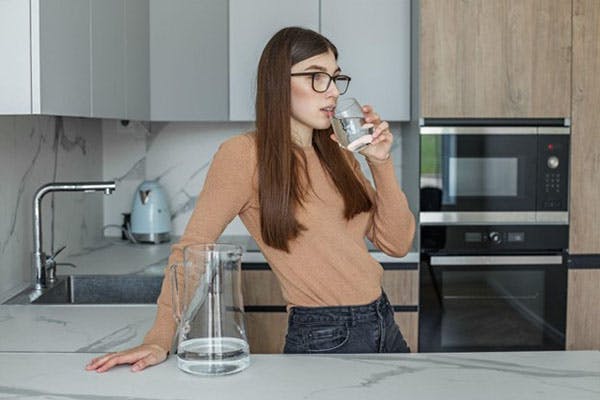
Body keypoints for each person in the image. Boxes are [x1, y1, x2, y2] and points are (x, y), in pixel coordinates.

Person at [86, 26, 415, 373]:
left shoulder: (339, 153)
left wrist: (381, 163)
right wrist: (159, 336)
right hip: (324, 334)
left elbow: (396, 243)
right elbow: (194, 247)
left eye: (335, 78)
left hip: (384, 320)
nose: (332, 91)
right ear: (277, 81)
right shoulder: (244, 156)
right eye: (317, 77)